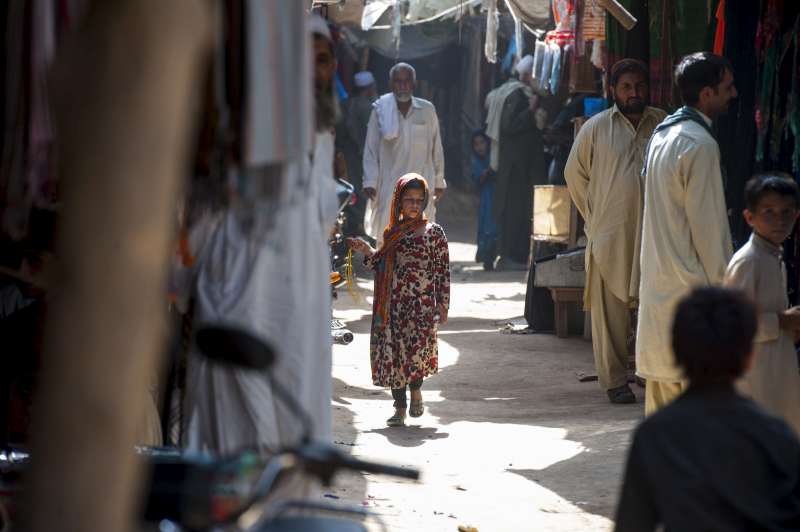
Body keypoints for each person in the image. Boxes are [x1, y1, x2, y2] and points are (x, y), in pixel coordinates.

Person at [176, 14, 338, 503]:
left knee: (296, 453)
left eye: (324, 60)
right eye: (303, 60)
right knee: (235, 461)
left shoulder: (323, 136)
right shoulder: (242, 138)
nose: (314, 72)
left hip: (301, 330)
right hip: (238, 315)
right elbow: (195, 235)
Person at [615, 287, 800, 531]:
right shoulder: (776, 435)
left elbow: (632, 525)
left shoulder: (654, 436)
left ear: (675, 350)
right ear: (749, 356)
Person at [636, 52, 738, 415]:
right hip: (693, 300)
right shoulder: (700, 145)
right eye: (727, 88)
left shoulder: (662, 136)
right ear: (707, 94)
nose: (734, 94)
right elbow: (711, 236)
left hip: (660, 294)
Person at [564, 59, 667, 404]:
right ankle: (614, 380)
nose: (634, 93)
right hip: (611, 234)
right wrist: (595, 218)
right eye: (626, 87)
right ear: (613, 91)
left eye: (639, 86)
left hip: (654, 231)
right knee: (610, 312)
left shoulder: (662, 123)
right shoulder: (596, 128)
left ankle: (649, 370)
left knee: (653, 305)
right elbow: (574, 175)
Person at [347, 174, 450, 427]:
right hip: (394, 306)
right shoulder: (393, 233)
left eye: (419, 200)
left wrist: (443, 304)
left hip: (422, 307)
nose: (414, 205)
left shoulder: (434, 233)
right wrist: (366, 250)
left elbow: (443, 271)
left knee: (416, 354)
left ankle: (416, 390)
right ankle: (399, 407)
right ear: (399, 203)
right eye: (409, 200)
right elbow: (379, 263)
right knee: (395, 356)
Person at [724, 173, 800, 434]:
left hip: (775, 375)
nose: (779, 220)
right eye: (769, 212)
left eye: (786, 212)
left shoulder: (772, 257)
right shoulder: (749, 261)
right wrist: (781, 321)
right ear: (749, 217)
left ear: (796, 216)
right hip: (755, 381)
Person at [363, 63, 445, 246]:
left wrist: (439, 181)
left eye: (406, 81)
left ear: (413, 84)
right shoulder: (380, 111)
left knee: (420, 239)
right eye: (398, 82)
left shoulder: (427, 110)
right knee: (389, 237)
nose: (402, 86)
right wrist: (370, 181)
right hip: (389, 185)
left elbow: (436, 148)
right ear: (391, 84)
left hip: (421, 185)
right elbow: (370, 149)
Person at [493, 55, 547, 270]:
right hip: (516, 169)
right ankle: (510, 257)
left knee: (521, 212)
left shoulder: (520, 93)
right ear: (526, 75)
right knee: (515, 213)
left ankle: (515, 256)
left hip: (522, 167)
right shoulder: (517, 95)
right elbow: (509, 125)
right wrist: (531, 111)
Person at [336, 70, 378, 236]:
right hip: (362, 156)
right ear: (370, 88)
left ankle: (353, 224)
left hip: (346, 156)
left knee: (351, 188)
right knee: (363, 190)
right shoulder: (369, 108)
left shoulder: (344, 104)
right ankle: (360, 225)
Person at [471, 131, 497, 271]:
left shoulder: (493, 158)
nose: (480, 147)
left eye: (482, 142)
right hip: (485, 200)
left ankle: (492, 256)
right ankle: (487, 259)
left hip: (495, 197)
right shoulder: (476, 162)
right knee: (486, 228)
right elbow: (478, 178)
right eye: (476, 144)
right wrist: (487, 172)